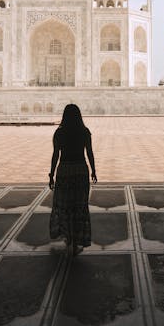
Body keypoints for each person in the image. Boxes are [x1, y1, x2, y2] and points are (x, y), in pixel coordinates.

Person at [48, 103, 97, 255]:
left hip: (64, 170)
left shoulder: (60, 132)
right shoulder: (84, 131)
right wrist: (94, 170)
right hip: (80, 170)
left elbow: (56, 154)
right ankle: (76, 242)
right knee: (79, 206)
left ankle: (68, 238)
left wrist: (51, 174)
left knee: (65, 206)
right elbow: (89, 152)